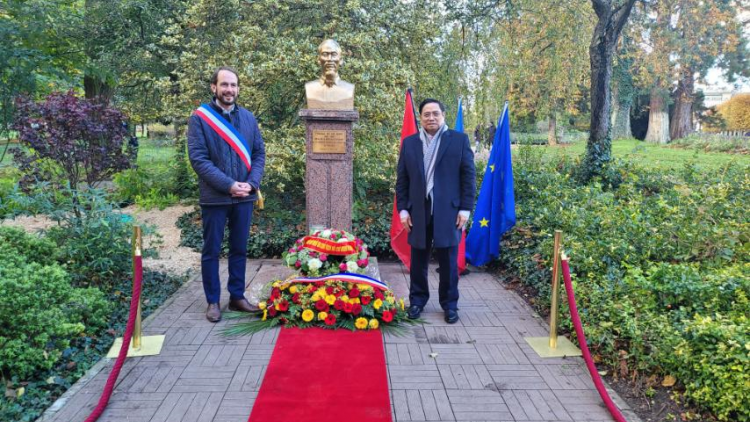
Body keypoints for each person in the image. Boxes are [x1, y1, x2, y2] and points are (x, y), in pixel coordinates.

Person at [188, 66, 266, 322]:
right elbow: (199, 160)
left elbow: (258, 154)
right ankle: (213, 301)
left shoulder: (249, 119)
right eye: (224, 85)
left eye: (233, 85)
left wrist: (252, 183)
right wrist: (229, 184)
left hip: (244, 196)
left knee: (239, 249)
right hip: (215, 197)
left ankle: (236, 297)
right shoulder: (200, 118)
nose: (229, 90)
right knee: (212, 250)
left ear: (238, 89)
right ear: (214, 87)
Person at [396, 98, 476, 324]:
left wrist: (465, 209)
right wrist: (403, 210)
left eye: (435, 114)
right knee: (418, 260)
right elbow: (402, 180)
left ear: (443, 116)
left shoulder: (458, 141)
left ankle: (450, 305)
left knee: (449, 262)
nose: (431, 118)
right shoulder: (410, 143)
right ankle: (417, 301)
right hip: (418, 212)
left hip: (449, 212)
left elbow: (468, 178)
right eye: (426, 114)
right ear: (420, 117)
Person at [305, 39, 355, 109]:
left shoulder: (349, 89)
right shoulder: (310, 88)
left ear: (340, 60)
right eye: (325, 54)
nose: (329, 59)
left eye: (334, 54)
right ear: (319, 60)